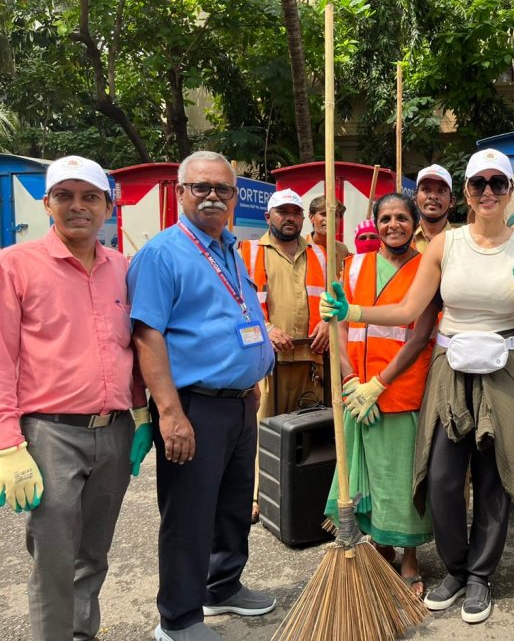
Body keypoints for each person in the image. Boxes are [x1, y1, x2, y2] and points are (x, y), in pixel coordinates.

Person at [320, 148, 514, 624]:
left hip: (504, 363)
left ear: (509, 191)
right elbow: (408, 312)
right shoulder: (447, 245)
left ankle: (481, 576)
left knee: (492, 478)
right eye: (478, 183)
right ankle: (456, 568)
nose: (487, 191)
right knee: (443, 478)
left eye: (497, 183)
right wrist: (352, 313)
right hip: (451, 364)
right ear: (465, 192)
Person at [0, 155, 150, 641]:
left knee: (93, 553)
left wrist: (143, 413)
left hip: (114, 430)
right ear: (46, 204)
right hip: (49, 434)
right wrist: (7, 443)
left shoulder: (123, 269)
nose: (77, 207)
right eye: (64, 196)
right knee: (54, 560)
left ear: (108, 205)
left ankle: (81, 634)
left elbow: (133, 345)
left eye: (89, 197)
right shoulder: (14, 265)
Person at [128, 150, 276, 641]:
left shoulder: (230, 248)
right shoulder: (163, 254)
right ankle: (179, 618)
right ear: (180, 192)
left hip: (238, 402)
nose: (214, 196)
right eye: (202, 187)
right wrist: (170, 414)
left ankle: (223, 587)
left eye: (223, 189)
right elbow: (147, 336)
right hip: (194, 405)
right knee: (189, 515)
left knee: (232, 504)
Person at [324, 193, 437, 598]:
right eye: (386, 218)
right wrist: (352, 379)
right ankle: (380, 547)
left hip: (401, 390)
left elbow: (419, 334)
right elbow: (340, 325)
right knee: (365, 474)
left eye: (402, 218)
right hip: (357, 392)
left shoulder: (427, 267)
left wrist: (380, 383)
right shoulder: (353, 265)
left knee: (401, 478)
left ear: (415, 223)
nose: (394, 225)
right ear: (375, 223)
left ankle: (409, 557)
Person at [238, 188, 328, 524]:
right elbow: (239, 302)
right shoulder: (248, 252)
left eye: (295, 212)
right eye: (282, 212)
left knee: (307, 430)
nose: (289, 218)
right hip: (268, 360)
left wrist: (326, 323)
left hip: (310, 359)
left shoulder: (318, 254)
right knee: (261, 430)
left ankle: (302, 493)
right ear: (268, 217)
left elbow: (332, 296)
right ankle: (255, 496)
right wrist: (266, 329)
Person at [413, 164, 457, 252]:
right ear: (415, 198)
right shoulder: (405, 240)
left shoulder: (462, 241)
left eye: (442, 191)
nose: (433, 196)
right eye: (426, 190)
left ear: (452, 201)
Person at [307, 195, 350, 265]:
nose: (329, 219)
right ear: (311, 217)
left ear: (340, 220)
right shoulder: (300, 247)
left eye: (334, 215)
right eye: (324, 214)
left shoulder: (342, 250)